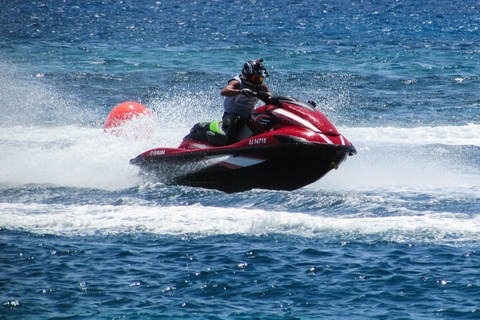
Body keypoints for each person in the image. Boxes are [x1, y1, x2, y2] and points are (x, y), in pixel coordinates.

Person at [221, 58, 271, 145]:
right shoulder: (237, 82)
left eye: (260, 79)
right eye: (255, 78)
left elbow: (270, 96)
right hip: (230, 117)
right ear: (247, 75)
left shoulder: (261, 87)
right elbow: (224, 92)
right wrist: (240, 91)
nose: (257, 81)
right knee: (237, 120)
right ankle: (228, 147)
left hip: (248, 117)